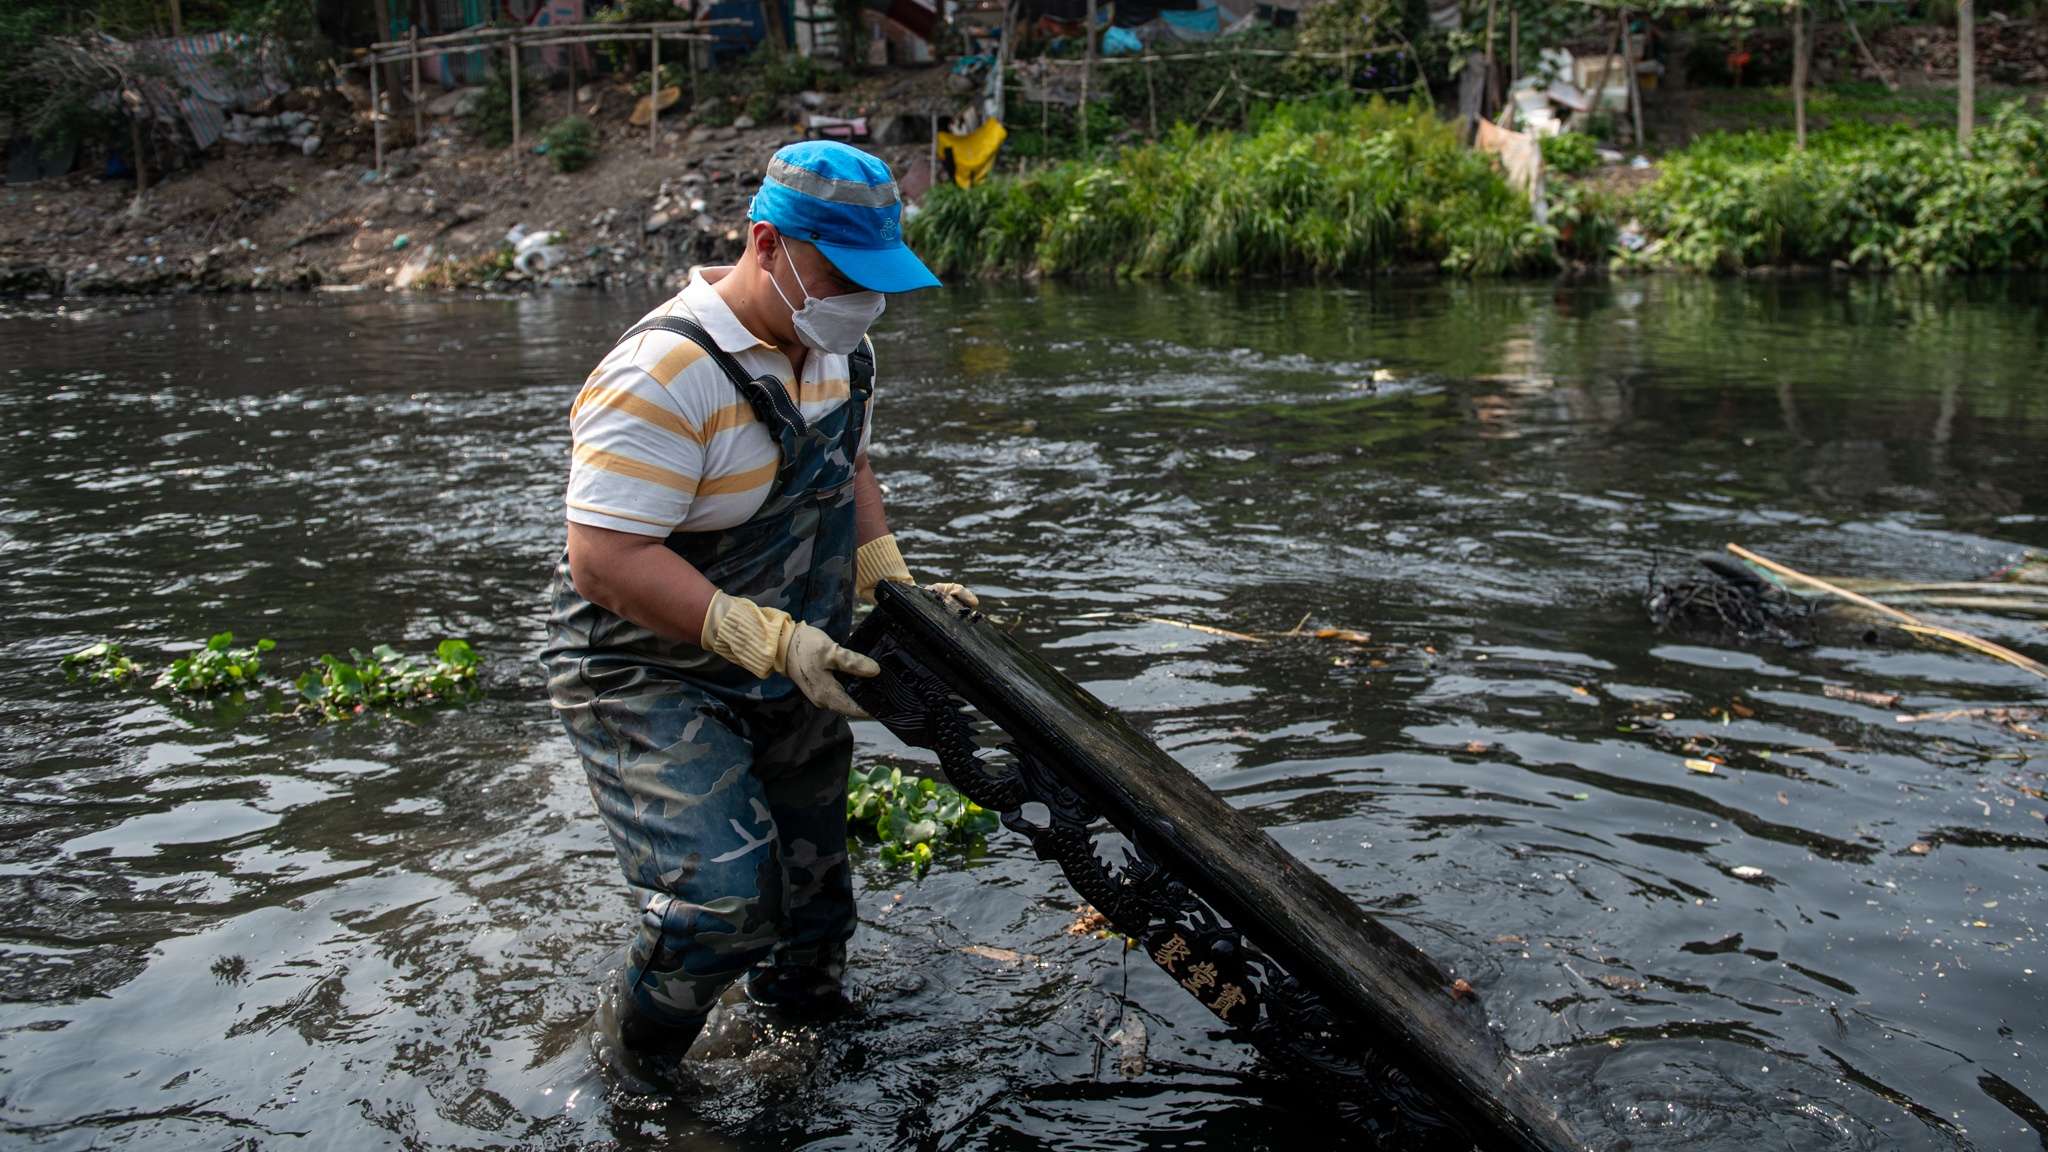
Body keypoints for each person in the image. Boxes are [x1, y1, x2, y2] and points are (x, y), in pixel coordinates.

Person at [541, 141, 974, 1094]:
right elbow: (603, 561)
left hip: (792, 656)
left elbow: (846, 468)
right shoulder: (661, 373)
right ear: (767, 244)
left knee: (813, 914)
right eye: (844, 276)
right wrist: (762, 638)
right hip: (648, 668)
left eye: (878, 281)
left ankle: (800, 1069)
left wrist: (885, 581)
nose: (864, 300)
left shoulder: (839, 349)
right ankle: (628, 1075)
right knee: (724, 906)